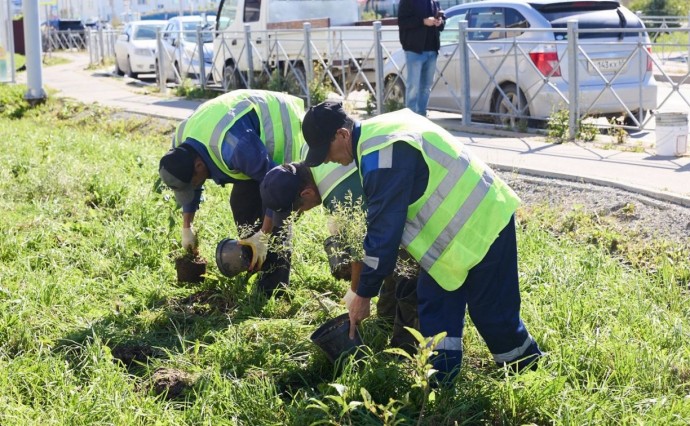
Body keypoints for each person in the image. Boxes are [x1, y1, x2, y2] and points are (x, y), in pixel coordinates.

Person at [300, 100, 542, 382]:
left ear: (342, 135)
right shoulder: (376, 140)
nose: (327, 161)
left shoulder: (382, 152)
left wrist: (363, 294)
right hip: (449, 241)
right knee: (435, 307)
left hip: (484, 223)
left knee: (491, 311)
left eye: (325, 152)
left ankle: (526, 370)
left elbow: (384, 232)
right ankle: (440, 382)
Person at [260, 161, 420, 354]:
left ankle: (405, 353)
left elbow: (360, 248)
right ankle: (385, 325)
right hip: (387, 204)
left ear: (307, 194)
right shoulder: (308, 162)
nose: (301, 212)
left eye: (299, 209)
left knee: (407, 278)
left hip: (413, 209)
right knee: (390, 271)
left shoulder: (341, 194)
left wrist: (357, 292)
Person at [158, 89, 306, 296]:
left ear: (199, 165)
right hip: (250, 145)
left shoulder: (235, 146)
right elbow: (191, 184)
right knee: (241, 203)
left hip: (280, 129)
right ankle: (254, 260)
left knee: (277, 216)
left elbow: (274, 181)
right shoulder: (181, 144)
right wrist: (187, 227)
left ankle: (274, 291)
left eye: (192, 183)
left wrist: (263, 235)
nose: (192, 187)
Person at [397, 0, 445, 116]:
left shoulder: (434, 1)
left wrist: (440, 22)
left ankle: (421, 115)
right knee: (413, 86)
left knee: (426, 86)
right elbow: (402, 22)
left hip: (432, 49)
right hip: (414, 50)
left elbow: (443, 21)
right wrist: (423, 21)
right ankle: (410, 117)